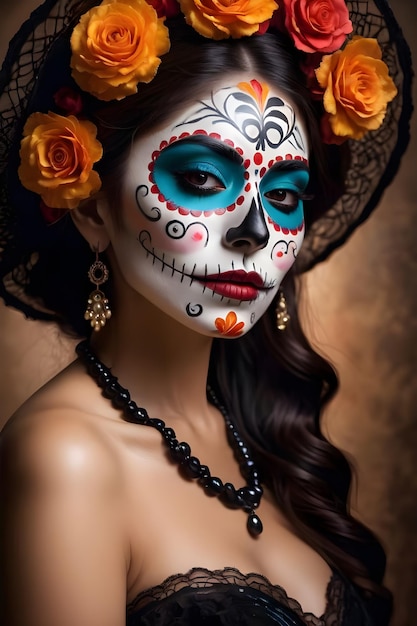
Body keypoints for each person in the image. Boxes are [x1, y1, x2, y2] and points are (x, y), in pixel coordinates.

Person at [0, 0, 412, 625]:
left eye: (282, 194)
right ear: (89, 207)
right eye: (199, 178)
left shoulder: (260, 426)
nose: (254, 229)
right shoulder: (64, 462)